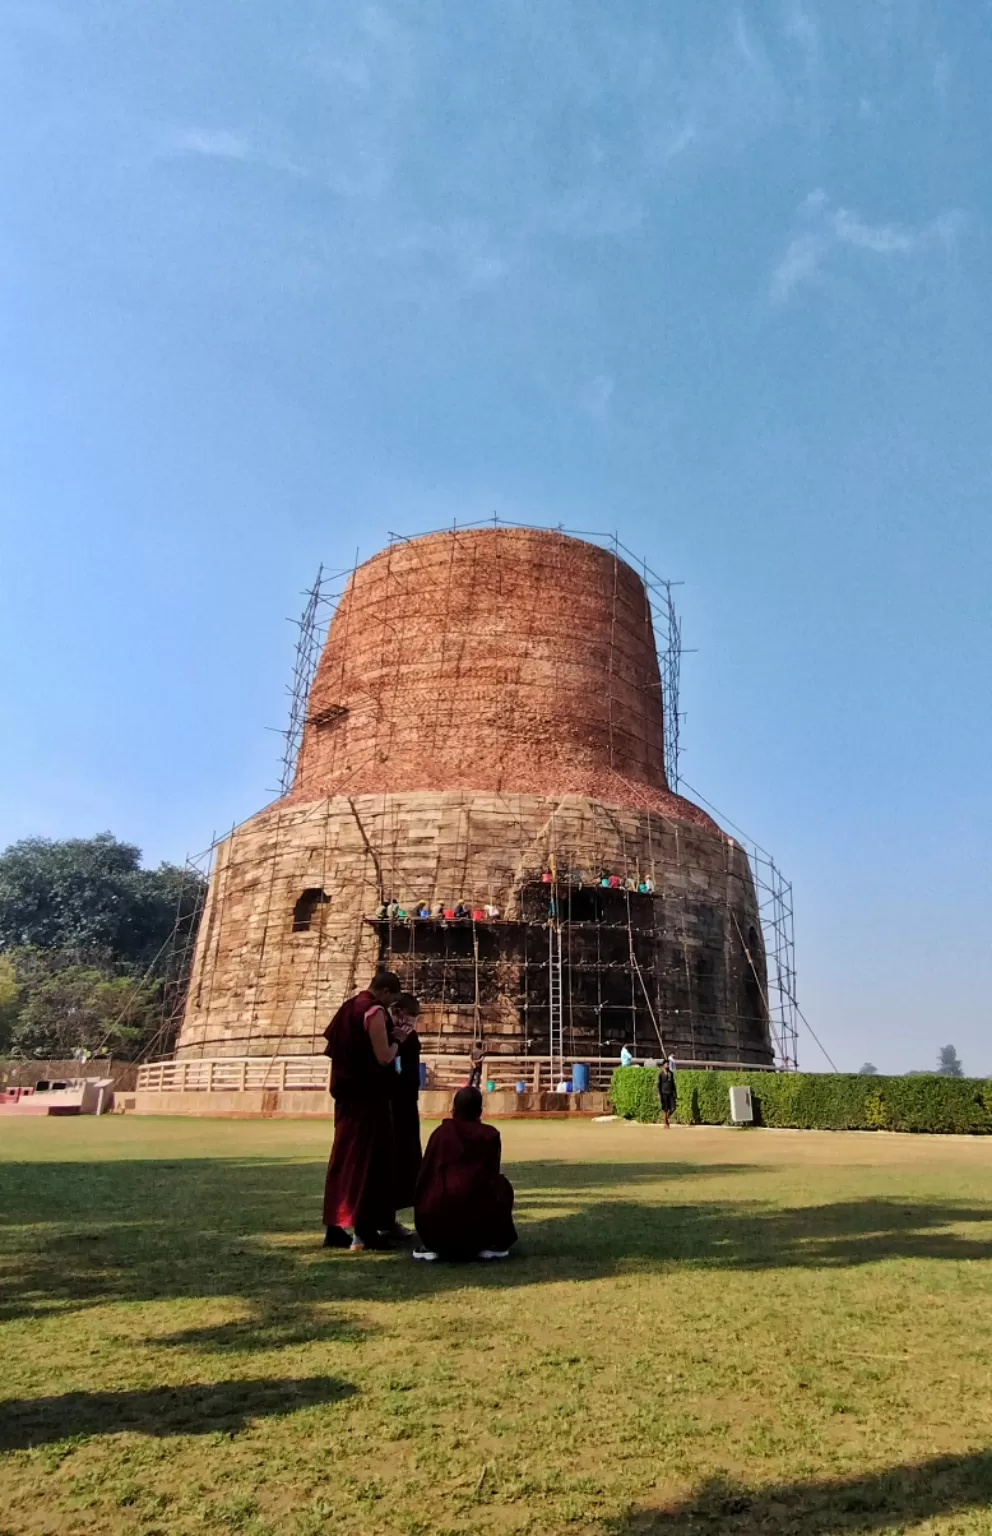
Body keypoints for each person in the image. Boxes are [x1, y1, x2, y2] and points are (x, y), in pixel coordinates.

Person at [321, 970, 409, 1252]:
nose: (390, 1005)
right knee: (371, 1163)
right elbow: (384, 1057)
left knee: (343, 1161)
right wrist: (399, 1040)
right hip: (369, 1098)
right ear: (384, 991)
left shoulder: (348, 1008)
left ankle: (334, 1228)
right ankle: (365, 1230)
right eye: (391, 999)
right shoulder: (373, 1012)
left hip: (345, 1099)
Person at [413, 1086, 517, 1261]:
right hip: (479, 1229)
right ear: (480, 1111)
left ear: (453, 1110)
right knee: (501, 1185)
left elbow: (426, 1176)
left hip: (439, 1231)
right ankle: (490, 1242)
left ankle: (433, 1244)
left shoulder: (441, 1134)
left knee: (430, 1188)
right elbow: (490, 1177)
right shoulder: (489, 1135)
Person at [390, 992, 423, 1214]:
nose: (412, 1020)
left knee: (408, 1161)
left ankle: (391, 1217)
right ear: (398, 1012)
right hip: (392, 1102)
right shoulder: (388, 1033)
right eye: (411, 1015)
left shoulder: (409, 1037)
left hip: (407, 1101)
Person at [657, 1061, 677, 1128]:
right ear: (663, 1065)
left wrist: (675, 1092)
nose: (667, 1065)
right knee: (665, 1109)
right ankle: (666, 1122)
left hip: (670, 1092)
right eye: (666, 1064)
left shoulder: (671, 1073)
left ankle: (666, 1118)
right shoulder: (661, 1074)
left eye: (668, 1064)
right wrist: (659, 1094)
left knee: (673, 1108)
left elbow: (673, 1083)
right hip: (663, 1093)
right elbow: (659, 1084)